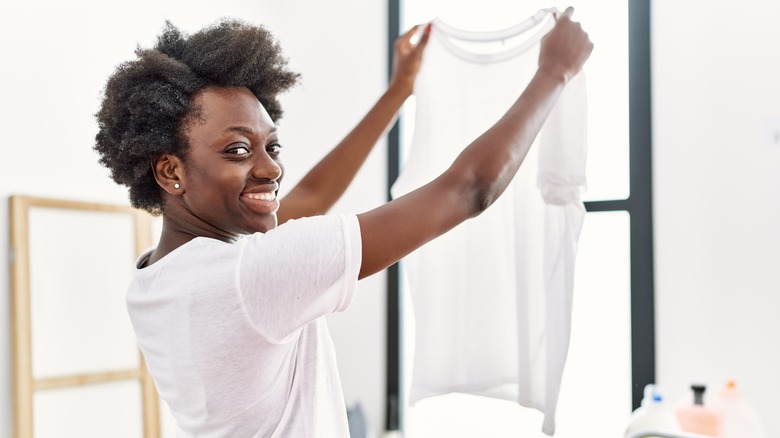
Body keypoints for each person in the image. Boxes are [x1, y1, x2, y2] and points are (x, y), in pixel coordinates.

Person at [94, 7, 592, 437]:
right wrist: (554, 73)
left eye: (273, 146)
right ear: (170, 171)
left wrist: (400, 91)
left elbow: (307, 197)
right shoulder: (249, 278)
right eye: (238, 150)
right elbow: (467, 189)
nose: (270, 169)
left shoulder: (157, 280)